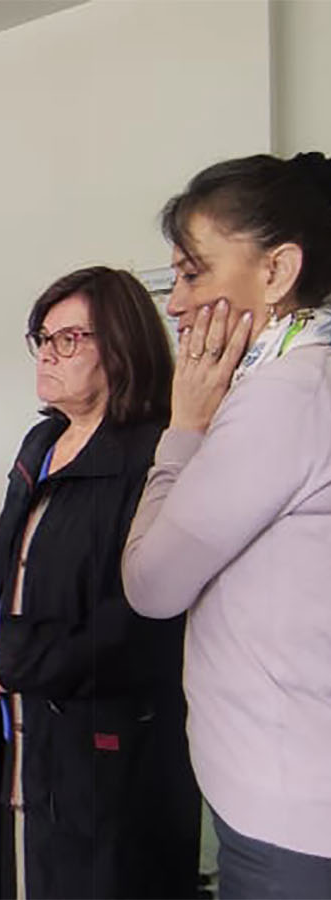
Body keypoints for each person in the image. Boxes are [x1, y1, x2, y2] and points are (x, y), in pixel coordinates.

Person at [0, 267, 198, 898]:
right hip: (22, 719)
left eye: (69, 339)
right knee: (17, 865)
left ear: (122, 348)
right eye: (43, 337)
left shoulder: (153, 455)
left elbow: (140, 622)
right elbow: (2, 562)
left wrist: (14, 663)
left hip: (107, 742)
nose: (47, 354)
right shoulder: (42, 442)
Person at [123, 152, 331, 899]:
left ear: (278, 272)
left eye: (193, 273)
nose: (176, 304)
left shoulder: (287, 394)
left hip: (289, 817)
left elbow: (150, 584)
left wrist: (184, 427)